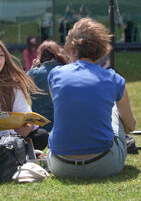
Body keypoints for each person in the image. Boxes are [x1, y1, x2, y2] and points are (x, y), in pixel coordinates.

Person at [47, 18, 136, 178]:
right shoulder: (114, 79)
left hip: (60, 166)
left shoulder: (55, 74)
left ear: (72, 47)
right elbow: (130, 125)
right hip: (104, 164)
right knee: (115, 109)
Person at [27, 40, 68, 132]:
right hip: (62, 123)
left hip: (40, 124)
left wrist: (31, 69)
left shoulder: (33, 73)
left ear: (40, 55)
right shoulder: (66, 71)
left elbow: (23, 90)